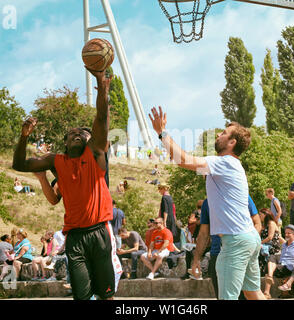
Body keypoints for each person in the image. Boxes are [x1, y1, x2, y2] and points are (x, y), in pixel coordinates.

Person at [12, 68, 122, 300]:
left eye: (82, 133)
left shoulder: (95, 155)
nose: (77, 134)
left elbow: (101, 118)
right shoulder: (57, 162)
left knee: (107, 295)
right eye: (72, 133)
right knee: (81, 296)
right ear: (64, 143)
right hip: (75, 238)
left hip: (100, 232)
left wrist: (102, 87)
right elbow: (20, 164)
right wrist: (24, 137)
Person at [148, 106, 265, 300]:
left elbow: (183, 160)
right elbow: (186, 163)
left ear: (232, 142)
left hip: (235, 241)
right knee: (253, 293)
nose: (218, 134)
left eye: (224, 133)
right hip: (249, 238)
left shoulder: (224, 163)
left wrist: (162, 133)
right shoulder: (231, 166)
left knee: (228, 297)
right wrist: (173, 152)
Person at [263, 224, 294, 299]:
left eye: (288, 233)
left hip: (291, 268)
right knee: (272, 257)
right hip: (281, 267)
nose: (286, 235)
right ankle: (268, 284)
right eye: (285, 233)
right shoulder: (284, 245)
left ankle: (267, 291)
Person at [191, 199, 221, 297]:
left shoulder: (241, 193)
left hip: (239, 252)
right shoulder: (207, 203)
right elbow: (203, 233)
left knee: (248, 293)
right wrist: (196, 260)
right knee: (221, 295)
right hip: (216, 253)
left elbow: (256, 222)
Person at [258, 208, 281, 276]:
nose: (259, 216)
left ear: (265, 215)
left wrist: (260, 243)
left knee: (260, 250)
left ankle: (264, 272)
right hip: (265, 244)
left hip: (273, 246)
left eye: (260, 214)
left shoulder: (271, 223)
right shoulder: (264, 225)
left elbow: (270, 237)